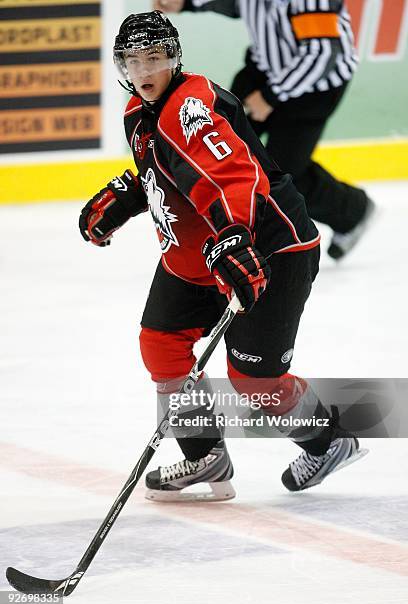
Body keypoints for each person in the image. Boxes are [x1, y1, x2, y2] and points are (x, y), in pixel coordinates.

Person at [79, 11, 366, 501]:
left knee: (256, 381)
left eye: (155, 57)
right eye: (134, 60)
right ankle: (205, 458)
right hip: (199, 255)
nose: (145, 70)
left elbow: (234, 178)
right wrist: (129, 196)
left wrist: (233, 236)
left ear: (174, 58)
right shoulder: (137, 113)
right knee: (162, 345)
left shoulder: (189, 107)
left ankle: (328, 441)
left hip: (269, 246)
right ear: (121, 65)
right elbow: (171, 175)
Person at [153, 0, 375, 260]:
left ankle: (352, 211)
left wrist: (270, 97)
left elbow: (323, 55)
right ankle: (224, 226)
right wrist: (187, 3)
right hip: (265, 69)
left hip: (315, 86)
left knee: (283, 172)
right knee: (223, 137)